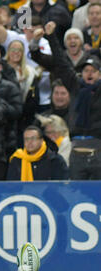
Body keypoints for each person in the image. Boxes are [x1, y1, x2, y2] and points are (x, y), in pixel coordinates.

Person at [44, 21, 101, 180]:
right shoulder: (76, 86)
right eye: (86, 70)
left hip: (99, 151)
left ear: (99, 74)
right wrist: (51, 37)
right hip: (76, 151)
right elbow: (62, 63)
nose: (89, 74)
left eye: (93, 71)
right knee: (77, 192)